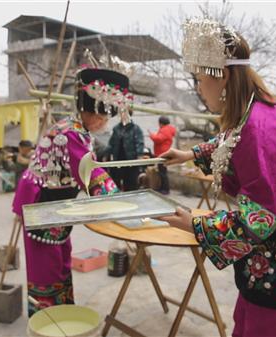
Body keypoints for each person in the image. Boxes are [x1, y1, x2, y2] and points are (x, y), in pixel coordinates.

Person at [158, 18, 276, 337]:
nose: (199, 88)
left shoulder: (259, 127)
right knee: (254, 318)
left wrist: (197, 225)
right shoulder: (251, 115)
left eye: (200, 79)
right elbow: (229, 142)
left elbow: (261, 219)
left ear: (223, 75)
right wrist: (190, 154)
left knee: (275, 327)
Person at [12, 67, 131, 316]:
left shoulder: (76, 128)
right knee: (47, 266)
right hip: (41, 204)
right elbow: (89, 173)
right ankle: (49, 319)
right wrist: (120, 203)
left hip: (54, 203)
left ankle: (62, 311)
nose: (105, 122)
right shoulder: (72, 133)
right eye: (104, 115)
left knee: (61, 257)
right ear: (94, 111)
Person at [103, 117, 145, 191]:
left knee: (131, 184)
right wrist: (106, 155)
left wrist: (139, 155)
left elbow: (140, 143)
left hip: (131, 161)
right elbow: (111, 144)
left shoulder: (135, 128)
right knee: (115, 183)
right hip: (117, 161)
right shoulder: (116, 128)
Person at [149, 116, 176, 194]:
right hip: (164, 152)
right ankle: (162, 188)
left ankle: (165, 189)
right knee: (162, 171)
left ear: (161, 123)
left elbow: (158, 139)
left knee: (163, 172)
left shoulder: (165, 130)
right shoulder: (168, 129)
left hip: (163, 153)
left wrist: (151, 135)